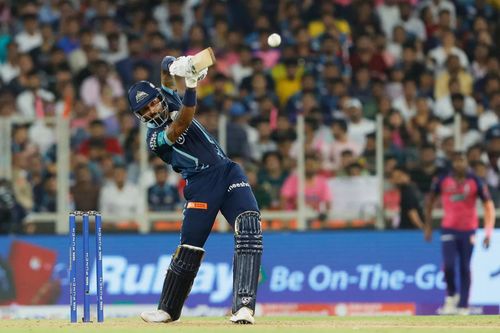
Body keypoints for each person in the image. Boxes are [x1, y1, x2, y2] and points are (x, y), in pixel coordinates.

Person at [127, 55, 262, 324]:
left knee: (249, 227)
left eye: (152, 104)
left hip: (227, 171)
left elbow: (165, 69)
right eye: (144, 111)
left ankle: (244, 307)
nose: (151, 112)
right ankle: (167, 310)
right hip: (200, 185)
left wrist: (175, 64)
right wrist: (190, 85)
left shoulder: (169, 97)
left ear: (159, 98)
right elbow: (182, 123)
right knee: (189, 247)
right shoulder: (155, 139)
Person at [424, 151, 495, 315]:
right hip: (448, 227)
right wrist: (427, 225)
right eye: (456, 161)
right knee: (448, 266)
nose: (459, 164)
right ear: (452, 163)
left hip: (469, 229)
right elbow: (429, 202)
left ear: (466, 162)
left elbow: (488, 206)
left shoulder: (475, 180)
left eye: (462, 161)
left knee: (465, 266)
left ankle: (463, 305)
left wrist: (488, 232)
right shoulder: (443, 179)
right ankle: (451, 297)